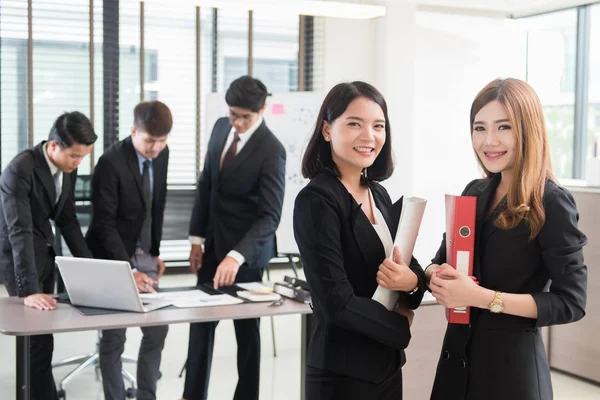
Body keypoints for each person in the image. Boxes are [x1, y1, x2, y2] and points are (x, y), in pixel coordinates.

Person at [425, 78, 587, 400]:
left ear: (527, 130)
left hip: (511, 374)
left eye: (504, 127)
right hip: (456, 366)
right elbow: (438, 262)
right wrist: (435, 277)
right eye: (479, 127)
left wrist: (478, 296)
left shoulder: (551, 201)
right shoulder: (475, 191)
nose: (489, 141)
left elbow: (570, 303)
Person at [293, 81, 425, 400]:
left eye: (378, 126)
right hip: (342, 372)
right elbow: (336, 301)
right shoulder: (318, 200)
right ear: (327, 130)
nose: (369, 136)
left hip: (386, 367)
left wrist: (412, 283)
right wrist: (399, 329)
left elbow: (410, 266)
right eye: (355, 124)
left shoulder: (377, 193)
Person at [183, 75, 286, 400]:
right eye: (233, 115)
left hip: (246, 256)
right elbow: (206, 185)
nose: (238, 122)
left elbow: (269, 216)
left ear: (263, 110)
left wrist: (236, 255)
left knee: (247, 334)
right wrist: (196, 239)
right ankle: (192, 394)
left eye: (246, 117)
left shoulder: (272, 150)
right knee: (200, 326)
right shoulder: (218, 128)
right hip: (212, 245)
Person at [0, 111, 96, 400]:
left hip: (44, 252)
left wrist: (90, 267)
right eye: (75, 156)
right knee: (34, 339)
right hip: (19, 258)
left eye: (83, 157)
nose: (79, 163)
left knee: (44, 336)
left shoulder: (67, 167)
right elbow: (19, 231)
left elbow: (66, 218)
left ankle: (41, 393)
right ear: (54, 145)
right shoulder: (20, 169)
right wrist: (28, 290)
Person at [85, 100, 172, 400]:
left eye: (162, 142)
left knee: (157, 328)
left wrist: (155, 250)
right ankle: (116, 396)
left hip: (144, 253)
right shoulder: (111, 163)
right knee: (115, 335)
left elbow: (156, 204)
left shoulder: (162, 154)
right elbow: (103, 225)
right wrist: (128, 270)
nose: (156, 149)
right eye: (150, 141)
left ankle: (147, 394)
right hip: (113, 256)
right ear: (134, 131)